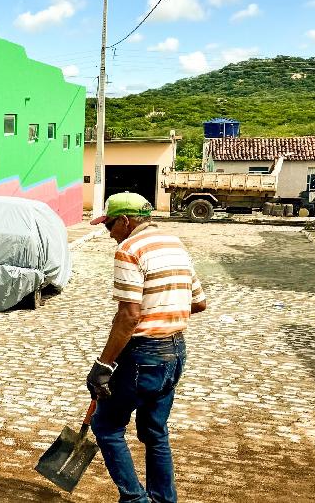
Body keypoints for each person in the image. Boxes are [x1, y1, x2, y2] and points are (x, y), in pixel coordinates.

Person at [85, 192, 208, 503]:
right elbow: (199, 302)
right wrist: (163, 312)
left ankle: (135, 499)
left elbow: (128, 316)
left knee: (107, 425)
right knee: (155, 433)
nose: (109, 233)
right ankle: (163, 499)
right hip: (175, 352)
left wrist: (102, 367)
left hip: (143, 356)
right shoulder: (175, 245)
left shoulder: (128, 250)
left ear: (125, 222)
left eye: (109, 225)